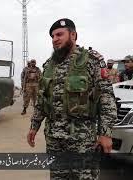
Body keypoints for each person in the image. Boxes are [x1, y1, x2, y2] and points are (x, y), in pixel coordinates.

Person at [26, 18, 117, 179]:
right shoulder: (48, 66)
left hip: (82, 140)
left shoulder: (92, 60)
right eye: (52, 36)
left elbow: (106, 98)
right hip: (54, 139)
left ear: (73, 35)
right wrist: (34, 125)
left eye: (59, 34)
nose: (55, 39)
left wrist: (106, 133)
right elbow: (42, 99)